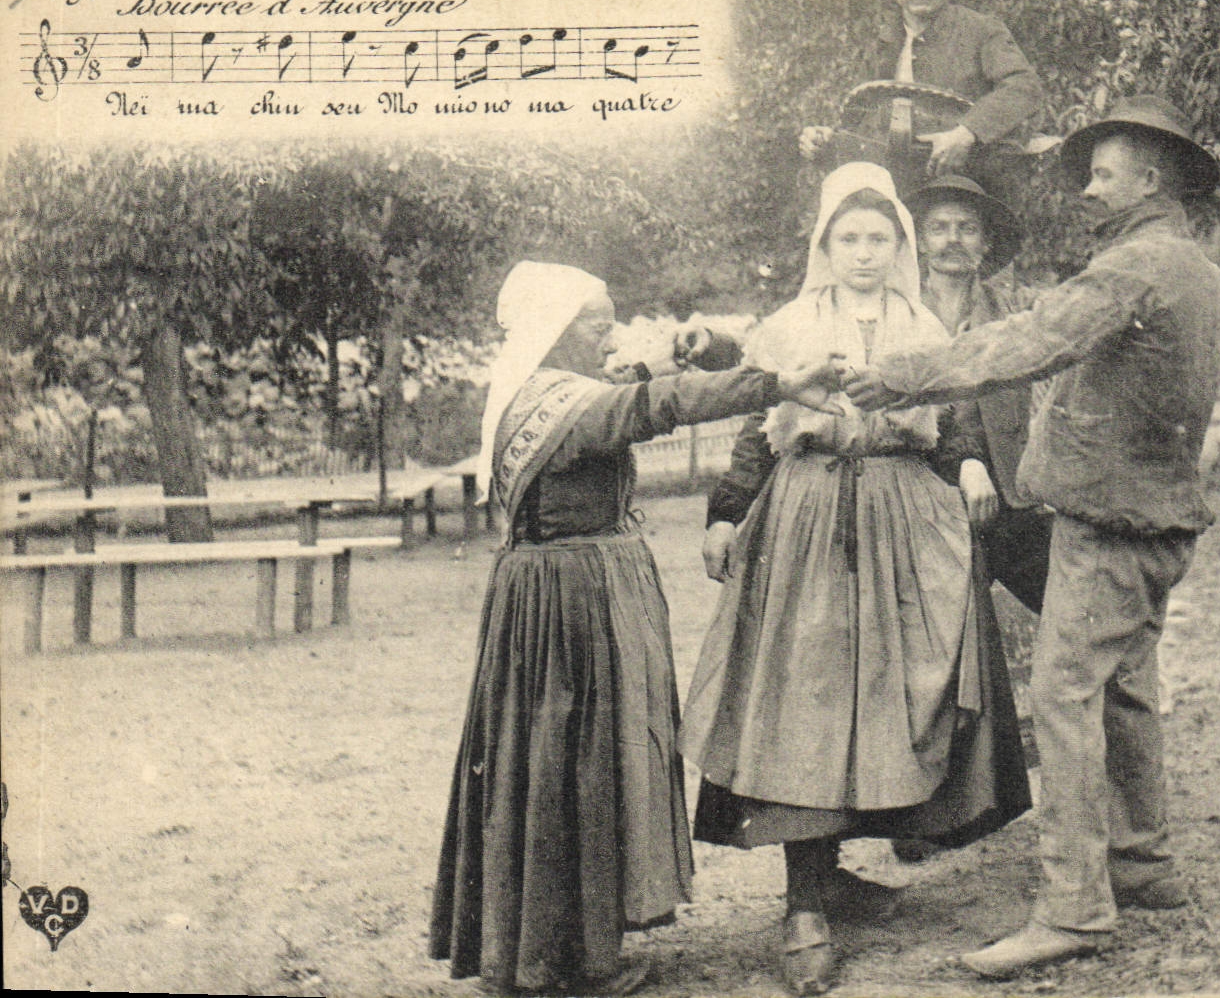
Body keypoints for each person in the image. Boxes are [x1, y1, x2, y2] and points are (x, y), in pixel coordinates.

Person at [840, 96, 1220, 979]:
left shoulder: (1133, 267)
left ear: (1152, 178)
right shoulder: (1196, 268)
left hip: (1106, 524)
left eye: (1102, 173)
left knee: (1062, 700)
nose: (1088, 190)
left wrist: (901, 374)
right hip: (1162, 520)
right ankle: (1141, 862)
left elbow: (1026, 342)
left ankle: (1074, 908)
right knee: (1125, 689)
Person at [428, 262, 838, 997]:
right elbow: (658, 405)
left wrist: (675, 349)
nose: (610, 333)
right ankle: (575, 962)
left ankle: (541, 949)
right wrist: (773, 385)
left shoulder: (532, 395)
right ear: (555, 333)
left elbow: (642, 378)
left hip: (545, 595)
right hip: (575, 600)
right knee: (583, 761)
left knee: (546, 762)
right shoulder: (569, 407)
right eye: (596, 322)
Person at [681, 162, 1031, 996]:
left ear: (897, 246)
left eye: (879, 238)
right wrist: (727, 514)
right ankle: (803, 900)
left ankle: (840, 870)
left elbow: (957, 421)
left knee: (894, 695)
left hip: (905, 516)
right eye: (849, 239)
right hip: (805, 519)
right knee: (804, 699)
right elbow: (758, 437)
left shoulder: (921, 325)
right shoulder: (788, 324)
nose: (864, 253)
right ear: (825, 245)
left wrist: (975, 465)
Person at [888, 173, 1052, 866]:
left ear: (985, 243)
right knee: (926, 653)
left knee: (1074, 608)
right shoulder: (897, 310)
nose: (953, 240)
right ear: (920, 241)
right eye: (940, 228)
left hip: (1010, 497)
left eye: (967, 228)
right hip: (926, 494)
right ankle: (914, 810)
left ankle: (1093, 779)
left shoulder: (1014, 307)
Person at [799, 0, 1045, 179]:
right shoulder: (883, 42)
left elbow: (1023, 87)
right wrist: (827, 139)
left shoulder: (981, 30)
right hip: (893, 178)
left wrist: (968, 132)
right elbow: (862, 116)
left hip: (964, 178)